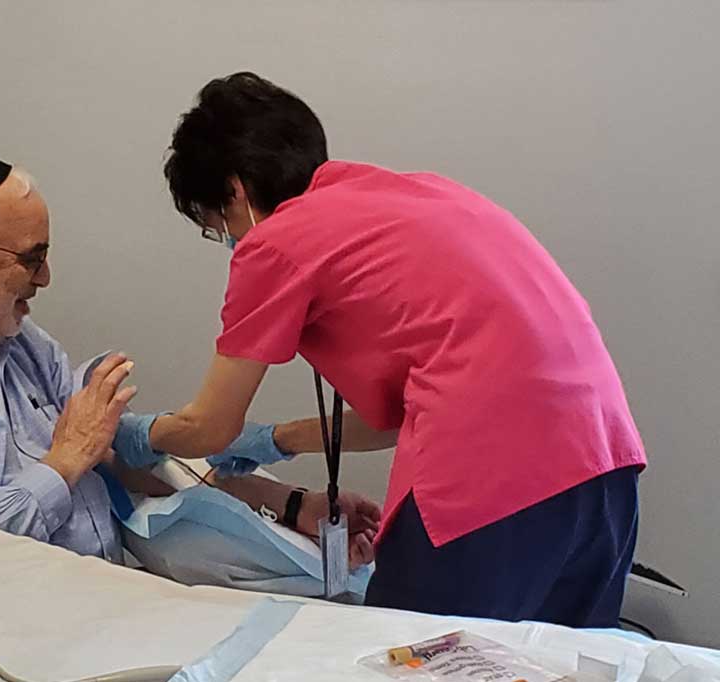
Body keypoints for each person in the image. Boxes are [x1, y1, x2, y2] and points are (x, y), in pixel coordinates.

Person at [110, 72, 647, 627]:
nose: (226, 240)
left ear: (236, 190)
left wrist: (139, 434)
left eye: (213, 225)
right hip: (603, 469)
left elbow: (210, 427)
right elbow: (423, 404)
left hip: (490, 486)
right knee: (560, 665)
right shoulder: (414, 196)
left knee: (405, 658)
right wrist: (277, 441)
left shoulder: (275, 242)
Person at [0, 152, 379, 580]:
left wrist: (289, 502)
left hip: (104, 582)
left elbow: (112, 447)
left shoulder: (10, 339)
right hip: (2, 617)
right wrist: (64, 462)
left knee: (339, 605)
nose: (44, 279)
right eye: (32, 259)